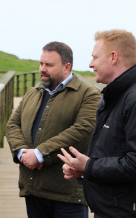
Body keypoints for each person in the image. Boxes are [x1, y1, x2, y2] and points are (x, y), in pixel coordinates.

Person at [58, 29, 136, 218]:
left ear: (113, 57)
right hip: (111, 209)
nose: (90, 64)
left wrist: (90, 166)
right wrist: (85, 170)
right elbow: (115, 154)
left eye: (95, 57)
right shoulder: (115, 97)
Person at [6, 41, 101, 218]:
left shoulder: (88, 95)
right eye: (41, 63)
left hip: (67, 194)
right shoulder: (33, 92)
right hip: (33, 188)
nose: (42, 68)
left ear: (67, 67)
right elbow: (12, 124)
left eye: (49, 65)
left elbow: (83, 130)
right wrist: (22, 152)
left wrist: (41, 153)